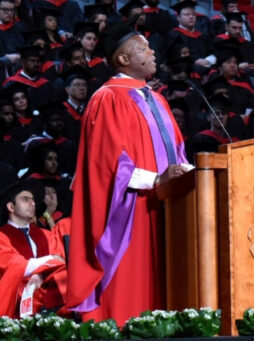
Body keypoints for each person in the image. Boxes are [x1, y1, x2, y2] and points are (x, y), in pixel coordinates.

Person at [67, 16, 192, 323]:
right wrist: (157, 179)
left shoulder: (158, 100)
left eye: (150, 47)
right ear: (122, 58)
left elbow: (178, 153)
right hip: (134, 211)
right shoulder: (107, 99)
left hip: (169, 211)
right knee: (133, 297)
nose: (152, 52)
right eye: (143, 48)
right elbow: (107, 165)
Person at [0, 179, 66, 318]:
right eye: (25, 199)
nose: (32, 203)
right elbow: (16, 267)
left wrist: (40, 274)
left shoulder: (46, 235)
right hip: (16, 302)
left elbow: (61, 260)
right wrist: (50, 260)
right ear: (11, 207)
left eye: (33, 200)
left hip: (48, 295)